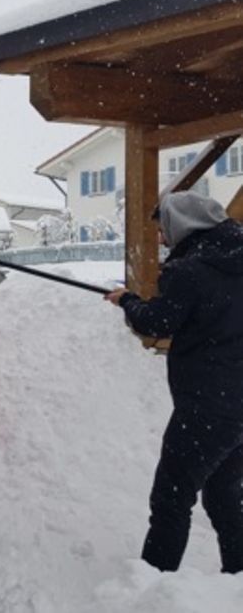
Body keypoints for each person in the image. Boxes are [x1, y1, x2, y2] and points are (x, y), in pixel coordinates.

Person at [105, 191, 243, 573]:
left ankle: (155, 587)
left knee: (171, 497)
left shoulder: (191, 270)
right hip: (236, 403)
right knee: (222, 493)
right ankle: (238, 577)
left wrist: (128, 302)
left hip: (206, 407)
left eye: (164, 230)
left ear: (183, 225)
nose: (163, 239)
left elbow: (157, 322)